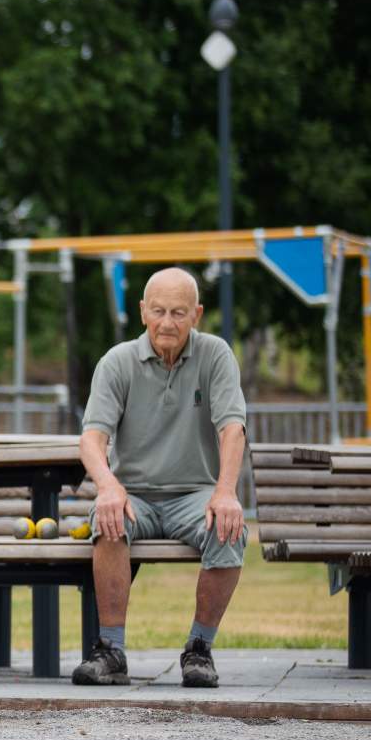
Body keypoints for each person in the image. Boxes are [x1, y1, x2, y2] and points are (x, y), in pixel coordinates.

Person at [74, 267, 248, 688]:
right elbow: (92, 439)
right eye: (158, 311)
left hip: (196, 494)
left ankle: (199, 649)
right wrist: (108, 487)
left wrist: (226, 492)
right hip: (134, 495)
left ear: (196, 315)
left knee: (229, 529)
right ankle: (111, 651)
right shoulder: (117, 362)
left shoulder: (216, 355)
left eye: (178, 312)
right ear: (142, 312)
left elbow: (232, 428)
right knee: (108, 520)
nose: (167, 322)